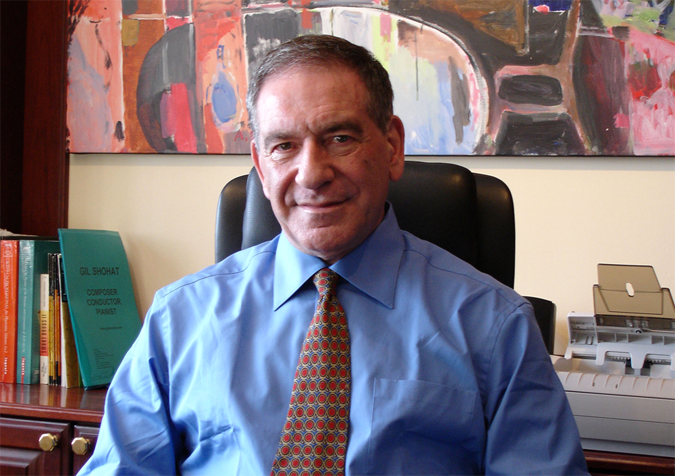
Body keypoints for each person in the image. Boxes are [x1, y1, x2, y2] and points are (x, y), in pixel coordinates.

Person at [79, 35, 588, 475]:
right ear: (260, 165)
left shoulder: (494, 326)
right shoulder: (178, 320)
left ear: (392, 146)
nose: (311, 174)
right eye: (283, 146)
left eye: (339, 138)